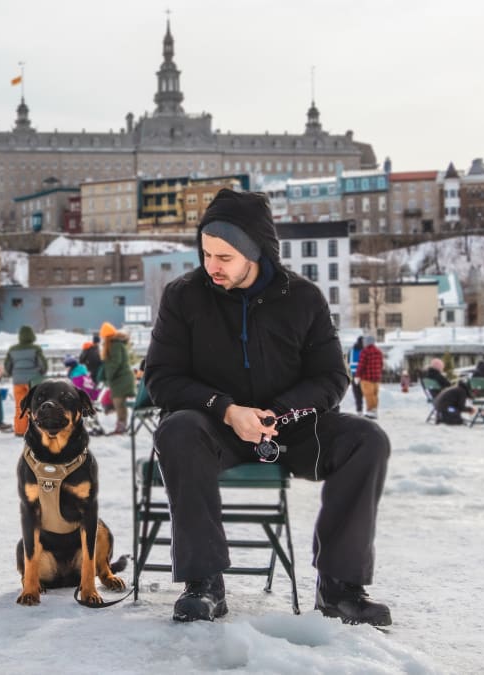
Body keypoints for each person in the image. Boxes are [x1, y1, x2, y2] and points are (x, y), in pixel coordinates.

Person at [144, 188, 392, 626]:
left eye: (224, 257)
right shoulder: (183, 296)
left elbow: (332, 377)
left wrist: (279, 411)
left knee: (366, 439)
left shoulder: (304, 297)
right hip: (214, 428)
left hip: (290, 429)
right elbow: (162, 377)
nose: (211, 266)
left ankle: (339, 587)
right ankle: (203, 583)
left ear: (254, 252)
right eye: (206, 253)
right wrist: (225, 409)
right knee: (177, 429)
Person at [4, 325, 48, 436]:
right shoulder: (36, 349)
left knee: (20, 407)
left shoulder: (12, 350)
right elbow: (43, 364)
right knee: (36, 405)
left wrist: (13, 374)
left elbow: (7, 366)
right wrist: (41, 373)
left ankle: (20, 431)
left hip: (18, 381)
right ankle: (39, 430)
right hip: (33, 381)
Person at [99, 321, 136, 435]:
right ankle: (122, 425)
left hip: (121, 380)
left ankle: (121, 426)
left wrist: (109, 375)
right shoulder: (116, 343)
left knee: (119, 403)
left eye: (104, 338)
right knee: (119, 403)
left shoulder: (114, 345)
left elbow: (115, 362)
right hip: (121, 379)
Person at [355, 335, 383, 419]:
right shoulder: (379, 351)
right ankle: (374, 410)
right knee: (374, 395)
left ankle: (370, 411)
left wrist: (357, 375)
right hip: (376, 378)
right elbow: (381, 365)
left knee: (368, 395)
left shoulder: (365, 351)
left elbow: (361, 365)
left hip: (366, 378)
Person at [348, 337, 364, 414]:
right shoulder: (364, 350)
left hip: (354, 374)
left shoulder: (351, 350)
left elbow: (348, 362)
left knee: (357, 393)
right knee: (365, 392)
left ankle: (359, 410)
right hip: (363, 374)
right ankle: (367, 411)